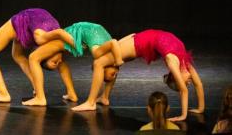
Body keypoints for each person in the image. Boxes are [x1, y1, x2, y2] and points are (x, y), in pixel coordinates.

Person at [72, 29, 205, 122]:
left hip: (140, 40)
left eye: (188, 81)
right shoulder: (176, 61)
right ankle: (91, 102)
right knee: (99, 63)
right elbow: (184, 90)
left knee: (102, 62)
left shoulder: (182, 63)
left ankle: (102, 98)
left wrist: (200, 109)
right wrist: (184, 115)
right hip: (140, 41)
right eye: (188, 81)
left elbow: (196, 85)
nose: (190, 80)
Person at [0, 8, 71, 103]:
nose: (59, 62)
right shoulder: (43, 38)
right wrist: (76, 45)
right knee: (16, 55)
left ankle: (3, 94)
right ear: (48, 54)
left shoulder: (54, 42)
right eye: (55, 62)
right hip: (25, 21)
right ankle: (36, 87)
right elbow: (59, 33)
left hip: (31, 25)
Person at [22, 22, 122, 106]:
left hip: (90, 30)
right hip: (96, 30)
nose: (59, 62)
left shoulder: (55, 44)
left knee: (33, 58)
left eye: (54, 62)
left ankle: (40, 97)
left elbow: (59, 32)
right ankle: (76, 94)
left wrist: (75, 44)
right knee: (107, 60)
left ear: (47, 55)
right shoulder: (60, 47)